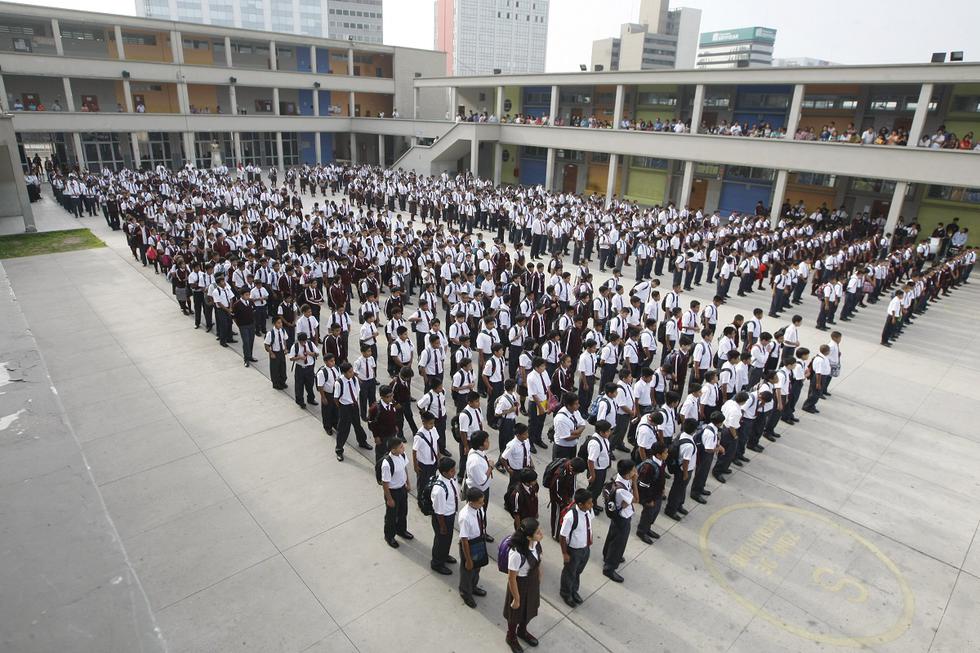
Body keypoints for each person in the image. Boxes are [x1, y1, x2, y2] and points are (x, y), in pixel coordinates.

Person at [504, 518, 544, 652]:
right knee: (515, 613)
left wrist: (538, 575)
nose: (541, 534)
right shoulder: (516, 554)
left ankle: (522, 630)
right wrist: (516, 598)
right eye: (538, 532)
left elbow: (538, 560)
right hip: (519, 585)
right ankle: (511, 637)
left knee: (529, 610)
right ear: (528, 537)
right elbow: (512, 578)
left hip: (532, 583)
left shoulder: (535, 544)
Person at [601, 459, 638, 583]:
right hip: (622, 517)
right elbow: (636, 499)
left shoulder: (619, 478)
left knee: (613, 535)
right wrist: (635, 482)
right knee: (619, 542)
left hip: (617, 515)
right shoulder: (622, 488)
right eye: (633, 470)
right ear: (628, 474)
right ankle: (609, 567)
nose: (635, 471)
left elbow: (628, 501)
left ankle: (607, 554)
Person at [558, 488, 593, 607]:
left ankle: (574, 590)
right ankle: (566, 593)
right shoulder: (571, 517)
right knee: (570, 572)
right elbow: (562, 536)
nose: (591, 504)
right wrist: (564, 553)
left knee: (577, 571)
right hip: (574, 550)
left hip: (585, 547)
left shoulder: (588, 510)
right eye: (589, 503)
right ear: (580, 504)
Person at [333, 361, 371, 461]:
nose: (352, 373)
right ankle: (339, 449)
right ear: (344, 373)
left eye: (352, 371)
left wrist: (355, 402)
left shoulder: (354, 379)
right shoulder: (339, 382)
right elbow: (336, 398)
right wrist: (342, 407)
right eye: (350, 372)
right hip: (345, 407)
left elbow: (356, 392)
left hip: (354, 405)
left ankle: (362, 442)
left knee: (357, 425)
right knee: (343, 429)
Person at [458, 487, 489, 609]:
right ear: (471, 502)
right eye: (480, 502)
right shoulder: (465, 516)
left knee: (478, 567)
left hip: (479, 541)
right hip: (469, 545)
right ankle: (465, 592)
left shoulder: (478, 509)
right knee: (468, 570)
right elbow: (464, 540)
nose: (483, 504)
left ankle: (473, 586)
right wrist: (469, 559)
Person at [380, 437, 412, 548]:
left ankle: (401, 530)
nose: (403, 448)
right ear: (393, 450)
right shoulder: (387, 464)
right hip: (393, 492)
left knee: (403, 512)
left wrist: (408, 483)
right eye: (401, 447)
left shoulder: (402, 455)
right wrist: (389, 499)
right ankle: (389, 536)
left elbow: (405, 469)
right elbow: (385, 483)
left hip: (402, 489)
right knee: (391, 516)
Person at [429, 457, 460, 575]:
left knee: (447, 539)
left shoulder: (450, 479)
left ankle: (444, 555)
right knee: (441, 540)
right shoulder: (439, 490)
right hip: (442, 519)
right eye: (452, 471)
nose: (454, 472)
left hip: (450, 515)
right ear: (444, 472)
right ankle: (437, 563)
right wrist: (442, 526)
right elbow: (439, 512)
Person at [665, 418, 698, 520]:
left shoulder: (682, 435)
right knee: (677, 490)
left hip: (681, 468)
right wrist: (685, 474)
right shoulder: (689, 445)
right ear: (694, 430)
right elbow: (685, 461)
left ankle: (679, 505)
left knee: (681, 489)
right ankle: (671, 509)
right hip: (684, 470)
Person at [636, 442, 669, 543]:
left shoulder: (662, 462)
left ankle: (648, 528)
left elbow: (661, 477)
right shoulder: (649, 467)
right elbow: (643, 485)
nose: (667, 454)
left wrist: (662, 489)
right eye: (665, 452)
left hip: (657, 494)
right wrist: (648, 500)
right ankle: (642, 531)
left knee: (654, 513)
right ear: (658, 455)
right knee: (648, 514)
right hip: (650, 496)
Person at [585, 420, 613, 511]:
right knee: (593, 489)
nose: (610, 432)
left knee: (598, 489)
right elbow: (590, 461)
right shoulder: (595, 444)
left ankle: (593, 503)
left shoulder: (604, 439)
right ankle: (589, 506)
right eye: (608, 431)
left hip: (602, 468)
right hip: (597, 470)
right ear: (601, 432)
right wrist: (593, 475)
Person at [288, 332, 318, 408]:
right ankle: (300, 401)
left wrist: (310, 353)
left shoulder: (310, 344)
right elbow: (291, 358)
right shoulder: (295, 346)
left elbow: (317, 353)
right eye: (302, 342)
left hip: (309, 368)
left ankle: (311, 399)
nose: (304, 343)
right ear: (299, 341)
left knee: (310, 384)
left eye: (305, 341)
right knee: (299, 385)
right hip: (300, 368)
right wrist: (299, 358)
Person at [412, 411, 440, 489]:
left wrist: (438, 456)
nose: (432, 425)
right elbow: (414, 451)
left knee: (432, 481)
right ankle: (421, 499)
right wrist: (415, 466)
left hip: (433, 462)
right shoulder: (419, 436)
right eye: (430, 423)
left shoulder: (433, 429)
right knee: (422, 484)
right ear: (424, 422)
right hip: (424, 465)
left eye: (433, 423)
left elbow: (436, 443)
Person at [264, 316, 289, 389]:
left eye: (281, 322)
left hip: (281, 352)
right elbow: (266, 344)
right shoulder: (270, 333)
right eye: (278, 323)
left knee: (282, 367)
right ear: (274, 324)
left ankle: (282, 381)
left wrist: (285, 348)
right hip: (275, 353)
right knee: (275, 369)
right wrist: (271, 353)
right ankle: (276, 383)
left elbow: (284, 339)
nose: (281, 324)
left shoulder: (283, 331)